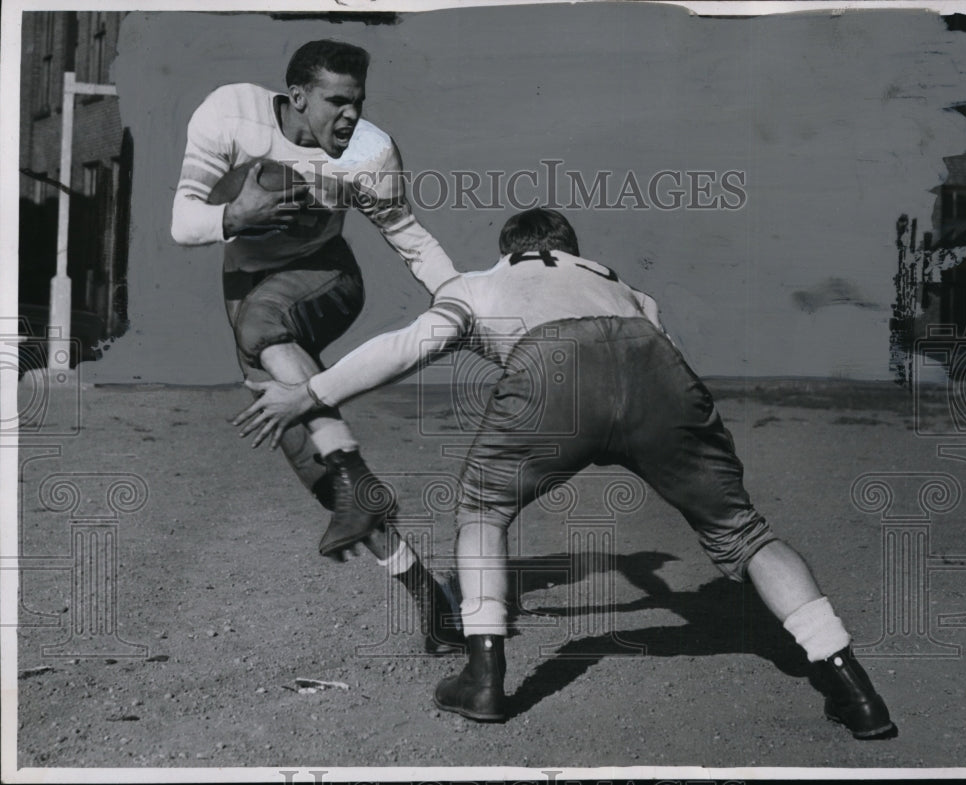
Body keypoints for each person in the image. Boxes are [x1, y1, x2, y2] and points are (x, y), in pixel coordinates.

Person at [232, 208, 898, 740]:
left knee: (483, 510)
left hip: (550, 372)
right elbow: (677, 368)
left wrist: (312, 392)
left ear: (509, 248)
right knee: (747, 532)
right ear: (569, 246)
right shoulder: (626, 287)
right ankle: (856, 689)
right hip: (654, 367)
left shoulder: (482, 282)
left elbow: (411, 345)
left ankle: (485, 677)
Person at [170, 39, 461, 653]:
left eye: (358, 102)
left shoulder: (371, 153)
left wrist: (462, 300)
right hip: (247, 284)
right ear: (297, 96)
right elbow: (182, 221)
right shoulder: (229, 116)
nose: (351, 116)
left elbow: (408, 236)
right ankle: (429, 602)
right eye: (336, 101)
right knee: (310, 455)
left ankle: (357, 476)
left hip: (327, 275)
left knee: (262, 322)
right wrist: (235, 217)